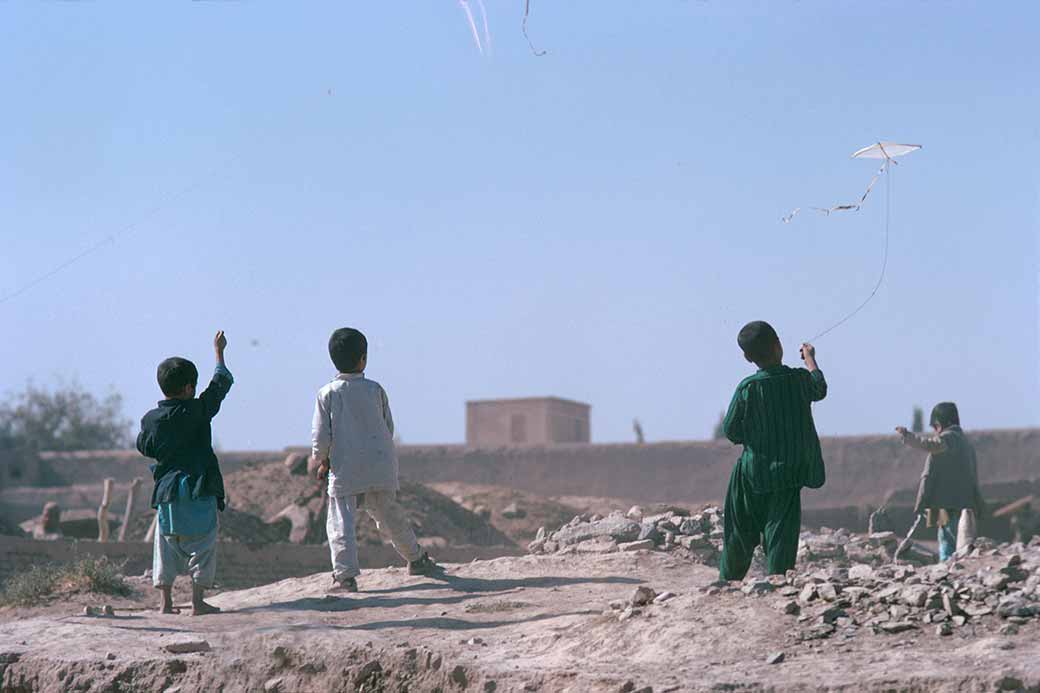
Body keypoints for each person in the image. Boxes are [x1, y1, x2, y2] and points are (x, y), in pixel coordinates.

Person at [311, 327, 440, 593]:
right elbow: (388, 427)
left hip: (346, 468)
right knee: (390, 515)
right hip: (380, 466)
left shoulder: (328, 394)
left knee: (340, 523)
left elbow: (321, 435)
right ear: (363, 359)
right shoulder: (375, 390)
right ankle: (416, 559)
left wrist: (322, 460)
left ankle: (345, 577)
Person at [718, 321, 828, 581]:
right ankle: (778, 584)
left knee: (739, 531)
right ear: (778, 345)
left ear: (747, 358)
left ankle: (727, 583)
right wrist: (810, 359)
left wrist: (757, 438)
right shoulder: (799, 379)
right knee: (781, 532)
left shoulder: (748, 388)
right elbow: (819, 388)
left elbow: (731, 429)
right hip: (788, 475)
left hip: (752, 472)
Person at [136, 331, 233, 615]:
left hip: (167, 492)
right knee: (203, 545)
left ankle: (165, 602)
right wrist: (219, 352)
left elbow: (144, 446)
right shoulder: (198, 410)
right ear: (190, 387)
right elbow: (220, 384)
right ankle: (197, 602)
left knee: (165, 545)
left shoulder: (150, 420)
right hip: (199, 488)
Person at [897, 402, 982, 561]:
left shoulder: (950, 438)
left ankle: (947, 567)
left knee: (947, 537)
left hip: (948, 502)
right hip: (963, 500)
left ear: (942, 424)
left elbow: (930, 445)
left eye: (935, 427)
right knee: (958, 535)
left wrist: (908, 436)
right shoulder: (965, 442)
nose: (935, 432)